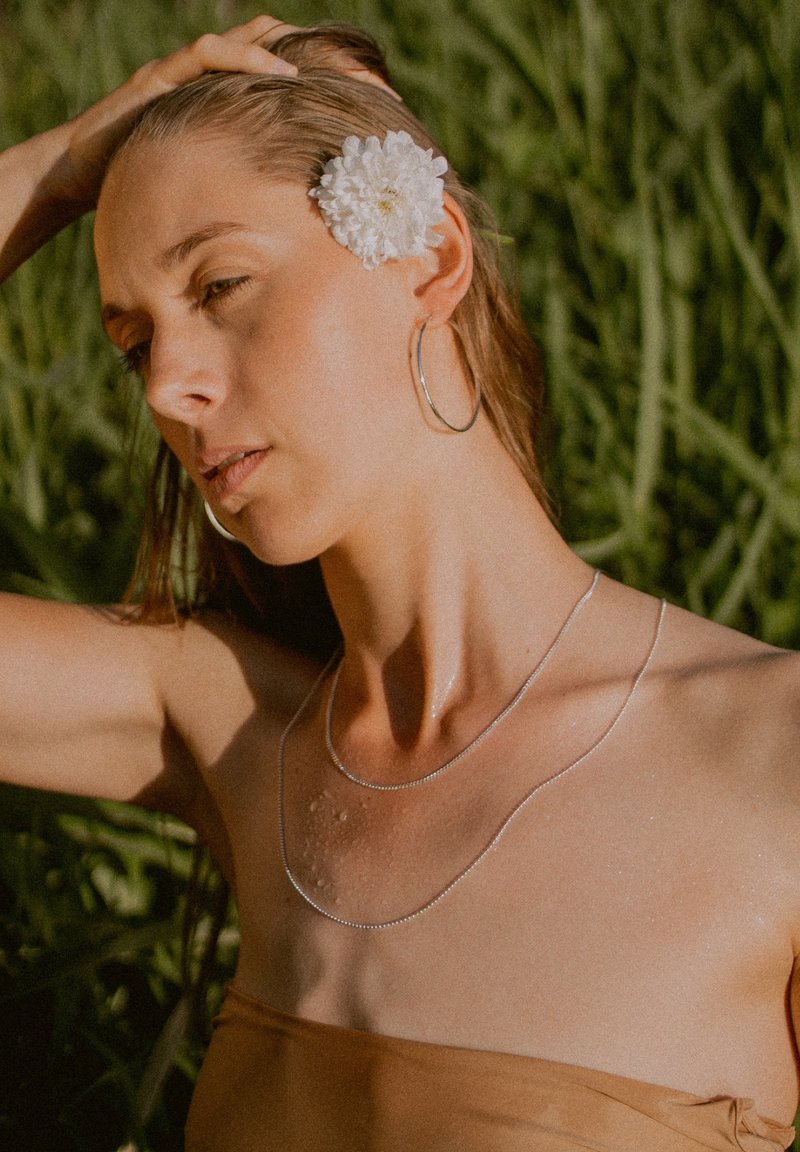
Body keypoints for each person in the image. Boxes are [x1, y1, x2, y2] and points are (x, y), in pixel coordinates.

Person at [1, 13, 799, 1152]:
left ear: (426, 258)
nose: (166, 383)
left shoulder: (771, 758)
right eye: (135, 342)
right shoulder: (235, 732)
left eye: (221, 284)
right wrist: (59, 168)